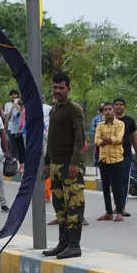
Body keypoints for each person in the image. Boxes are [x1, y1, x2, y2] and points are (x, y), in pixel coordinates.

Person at [41, 73, 85, 259]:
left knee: (74, 204)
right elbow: (51, 138)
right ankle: (63, 243)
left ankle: (74, 245)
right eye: (55, 87)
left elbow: (80, 137)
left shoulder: (73, 109)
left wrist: (74, 162)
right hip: (55, 165)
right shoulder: (54, 109)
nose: (57, 91)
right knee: (59, 205)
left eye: (61, 88)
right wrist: (46, 162)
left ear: (68, 89)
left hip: (70, 165)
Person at [95, 103, 126, 222]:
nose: (108, 112)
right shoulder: (100, 125)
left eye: (110, 109)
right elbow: (97, 141)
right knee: (105, 187)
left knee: (117, 187)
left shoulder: (120, 124)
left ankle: (119, 212)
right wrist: (109, 141)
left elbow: (119, 139)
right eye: (105, 110)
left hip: (116, 160)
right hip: (103, 160)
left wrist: (105, 140)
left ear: (113, 110)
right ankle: (108, 212)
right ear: (102, 113)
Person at [113, 98, 137, 217]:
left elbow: (134, 138)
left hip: (126, 155)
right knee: (114, 181)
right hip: (111, 156)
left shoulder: (130, 121)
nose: (119, 106)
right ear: (113, 107)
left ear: (125, 107)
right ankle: (116, 206)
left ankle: (121, 207)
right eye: (116, 105)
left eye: (121, 104)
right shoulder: (109, 121)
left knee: (124, 181)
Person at [4, 90, 26, 172]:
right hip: (12, 128)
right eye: (12, 95)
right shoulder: (7, 104)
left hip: (20, 129)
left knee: (21, 148)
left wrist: (17, 105)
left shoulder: (22, 104)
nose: (14, 96)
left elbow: (22, 113)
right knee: (12, 148)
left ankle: (22, 165)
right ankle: (14, 166)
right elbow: (7, 116)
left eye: (15, 94)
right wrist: (13, 106)